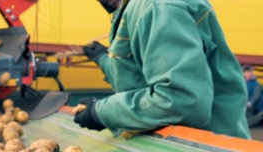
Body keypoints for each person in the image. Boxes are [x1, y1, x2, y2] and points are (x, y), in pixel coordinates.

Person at [75, 0, 251, 139]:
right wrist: (103, 60)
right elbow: (135, 78)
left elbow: (181, 101)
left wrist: (101, 112)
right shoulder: (132, 8)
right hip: (178, 145)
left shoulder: (159, 7)